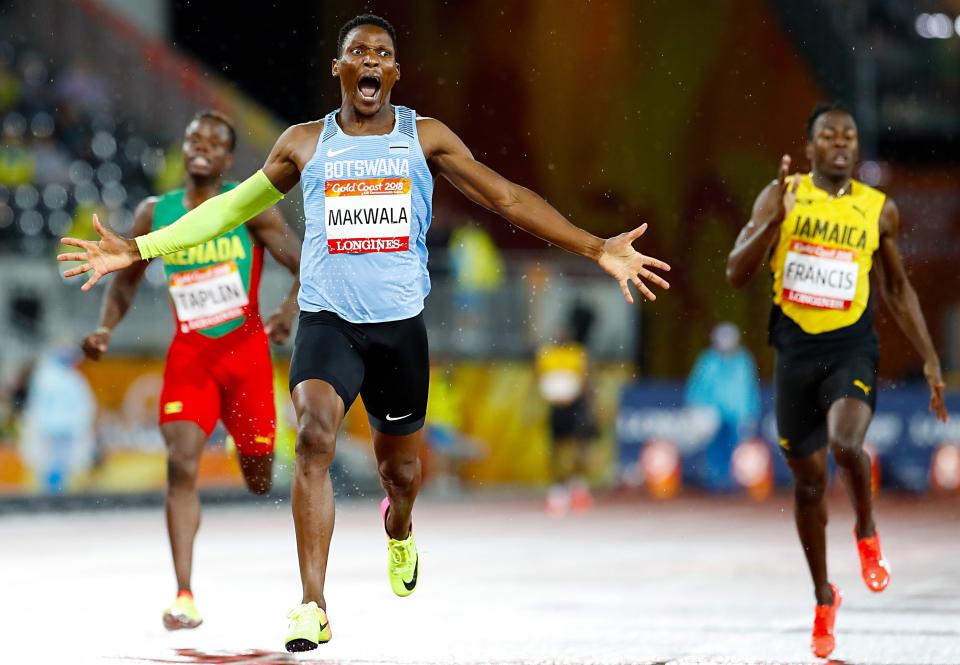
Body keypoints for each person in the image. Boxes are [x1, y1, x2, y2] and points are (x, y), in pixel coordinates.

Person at [57, 15, 671, 651]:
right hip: (328, 324)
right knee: (314, 436)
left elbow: (507, 199)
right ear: (340, 69)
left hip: (399, 331)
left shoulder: (422, 137)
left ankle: (399, 527)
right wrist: (138, 247)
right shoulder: (302, 144)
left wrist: (597, 248)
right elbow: (229, 208)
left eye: (383, 53)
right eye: (358, 52)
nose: (371, 61)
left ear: (395, 73)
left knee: (400, 474)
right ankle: (312, 605)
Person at [726, 101, 949, 659]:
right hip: (794, 354)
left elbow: (896, 290)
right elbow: (735, 271)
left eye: (848, 135)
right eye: (828, 135)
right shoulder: (784, 195)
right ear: (809, 148)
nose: (841, 143)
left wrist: (929, 358)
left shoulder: (878, 210)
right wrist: (774, 221)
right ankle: (825, 597)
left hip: (851, 348)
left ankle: (867, 533)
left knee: (847, 443)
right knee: (806, 483)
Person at [78, 111, 301, 631]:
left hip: (246, 358)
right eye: (193, 137)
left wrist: (290, 310)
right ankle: (184, 594)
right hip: (191, 357)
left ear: (227, 158)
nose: (201, 146)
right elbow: (127, 280)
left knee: (258, 479)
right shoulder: (156, 212)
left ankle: (243, 443)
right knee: (180, 464)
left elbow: (305, 262)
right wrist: (106, 328)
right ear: (183, 149)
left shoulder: (250, 209)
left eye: (215, 141)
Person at [684, 322, 761, 491]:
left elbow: (750, 389)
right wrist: (694, 408)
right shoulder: (708, 361)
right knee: (714, 449)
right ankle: (714, 481)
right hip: (714, 414)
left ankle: (730, 481)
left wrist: (752, 413)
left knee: (735, 448)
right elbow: (697, 386)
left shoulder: (744, 361)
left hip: (737, 414)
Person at [537, 303, 597, 515]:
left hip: (575, 406)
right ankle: (557, 492)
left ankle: (577, 488)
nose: (562, 336)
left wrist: (591, 408)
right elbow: (538, 383)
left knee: (577, 449)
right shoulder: (546, 354)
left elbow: (588, 382)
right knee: (556, 450)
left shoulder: (578, 354)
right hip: (555, 408)